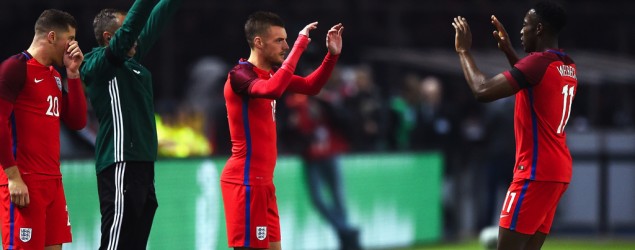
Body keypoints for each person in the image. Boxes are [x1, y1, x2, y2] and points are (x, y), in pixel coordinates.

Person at [452, 1, 576, 249]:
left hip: (534, 172)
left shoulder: (537, 64)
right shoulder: (567, 65)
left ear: (539, 29)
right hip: (557, 172)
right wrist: (509, 52)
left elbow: (482, 90)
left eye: (525, 26)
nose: (520, 31)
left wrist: (464, 51)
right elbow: (533, 86)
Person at [221, 11, 344, 250]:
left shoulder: (272, 75)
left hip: (264, 184)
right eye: (279, 40)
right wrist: (300, 44)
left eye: (288, 40)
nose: (286, 46)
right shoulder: (240, 75)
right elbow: (273, 90)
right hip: (245, 182)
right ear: (258, 42)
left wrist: (331, 56)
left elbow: (311, 86)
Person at [80, 0, 182, 249]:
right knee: (116, 243)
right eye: (128, 31)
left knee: (134, 244)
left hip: (144, 164)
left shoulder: (131, 61)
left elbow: (156, 20)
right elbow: (133, 28)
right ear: (108, 37)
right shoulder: (97, 65)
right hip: (120, 161)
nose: (136, 36)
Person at [0, 9, 87, 250]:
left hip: (53, 183)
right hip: (24, 182)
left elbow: (77, 121)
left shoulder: (55, 76)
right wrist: (13, 177)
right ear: (51, 37)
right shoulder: (15, 68)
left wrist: (73, 74)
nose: (73, 46)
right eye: (69, 39)